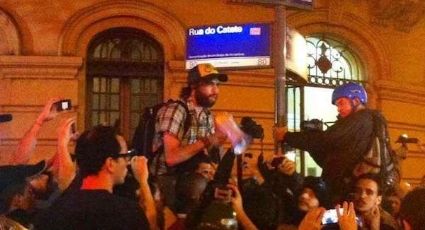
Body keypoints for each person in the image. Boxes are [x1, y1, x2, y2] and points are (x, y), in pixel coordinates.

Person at [275, 82, 395, 203]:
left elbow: (324, 140)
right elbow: (330, 154)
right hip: (348, 187)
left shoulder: (360, 119)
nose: (339, 108)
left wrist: (286, 136)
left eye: (342, 103)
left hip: (347, 190)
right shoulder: (366, 121)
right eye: (337, 105)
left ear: (356, 101)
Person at [33, 125, 153, 230]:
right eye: (125, 156)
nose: (127, 162)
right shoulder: (128, 214)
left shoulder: (53, 213)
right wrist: (144, 182)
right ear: (110, 163)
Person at [151, 63, 228, 209]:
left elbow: (209, 155)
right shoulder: (175, 111)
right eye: (210, 84)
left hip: (193, 177)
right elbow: (172, 158)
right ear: (194, 86)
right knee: (199, 186)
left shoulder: (206, 115)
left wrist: (221, 142)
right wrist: (207, 140)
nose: (216, 90)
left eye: (217, 85)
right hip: (168, 180)